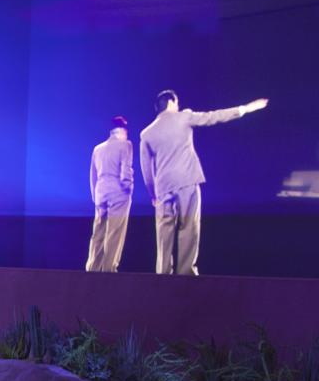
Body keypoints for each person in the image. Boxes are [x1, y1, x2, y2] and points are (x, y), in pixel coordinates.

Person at [140, 90, 268, 275]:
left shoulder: (146, 134)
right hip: (186, 181)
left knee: (163, 233)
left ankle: (162, 274)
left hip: (162, 188)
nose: (178, 106)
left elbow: (146, 168)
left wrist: (153, 194)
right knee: (189, 228)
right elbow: (213, 117)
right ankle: (185, 273)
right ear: (171, 102)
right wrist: (245, 109)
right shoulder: (184, 117)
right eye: (177, 103)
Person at [86, 115, 134, 272]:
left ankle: (92, 268)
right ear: (123, 129)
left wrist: (95, 196)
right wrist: (128, 188)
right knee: (115, 232)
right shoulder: (125, 145)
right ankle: (109, 270)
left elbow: (92, 175)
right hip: (118, 193)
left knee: (98, 233)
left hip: (101, 193)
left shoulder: (98, 148)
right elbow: (125, 171)